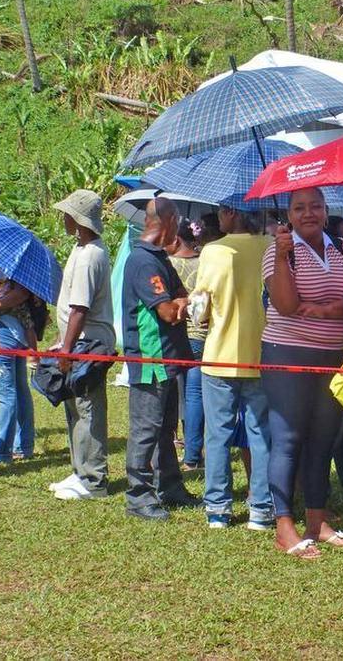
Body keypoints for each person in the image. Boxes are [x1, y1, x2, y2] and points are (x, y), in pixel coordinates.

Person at [261, 187, 343, 558]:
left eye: (315, 206)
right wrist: (285, 257)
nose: (309, 213)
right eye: (300, 207)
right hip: (286, 353)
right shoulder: (277, 251)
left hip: (333, 355)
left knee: (324, 438)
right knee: (288, 437)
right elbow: (285, 305)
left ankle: (316, 521)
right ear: (288, 213)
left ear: (325, 209)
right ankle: (284, 525)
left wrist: (326, 310)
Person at [193, 204, 272, 530]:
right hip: (263, 354)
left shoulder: (213, 250)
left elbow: (200, 310)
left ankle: (218, 509)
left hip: (219, 355)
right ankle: (262, 509)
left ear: (231, 214)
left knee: (217, 436)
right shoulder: (271, 244)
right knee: (261, 435)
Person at [121, 197, 199, 521]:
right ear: (167, 220)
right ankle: (138, 496)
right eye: (178, 220)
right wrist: (182, 305)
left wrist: (182, 302)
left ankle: (170, 487)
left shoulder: (160, 259)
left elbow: (182, 295)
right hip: (150, 357)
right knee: (146, 429)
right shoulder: (143, 261)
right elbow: (168, 311)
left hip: (168, 358)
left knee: (166, 428)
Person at [50, 189, 117, 501]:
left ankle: (93, 479)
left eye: (67, 213)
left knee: (87, 408)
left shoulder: (91, 256)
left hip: (88, 343)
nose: (63, 218)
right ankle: (80, 469)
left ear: (77, 219)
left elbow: (80, 308)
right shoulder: (82, 248)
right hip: (78, 341)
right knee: (75, 406)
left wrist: (67, 348)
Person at [0, 260, 36, 465]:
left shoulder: (0, 262)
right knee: (19, 390)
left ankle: (1, 451)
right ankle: (23, 445)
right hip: (17, 328)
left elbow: (21, 293)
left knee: (5, 393)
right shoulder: (12, 260)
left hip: (3, 329)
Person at [168, 218, 207, 471]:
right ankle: (193, 454)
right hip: (203, 335)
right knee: (195, 396)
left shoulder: (169, 265)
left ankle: (186, 450)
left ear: (176, 239)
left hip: (179, 335)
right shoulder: (206, 260)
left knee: (180, 394)